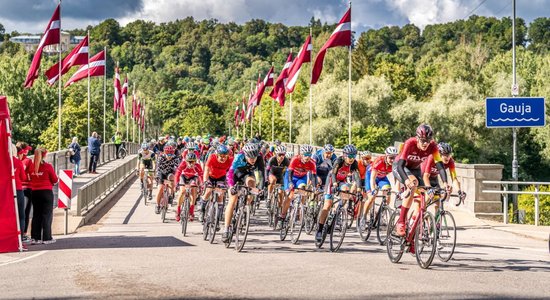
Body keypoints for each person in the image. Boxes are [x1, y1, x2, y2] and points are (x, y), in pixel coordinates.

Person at [392, 124, 450, 237]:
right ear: (417, 138)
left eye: (428, 140)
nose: (425, 144)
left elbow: (440, 166)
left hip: (415, 169)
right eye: (423, 140)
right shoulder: (410, 143)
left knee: (424, 194)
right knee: (413, 184)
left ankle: (414, 231)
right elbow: (400, 166)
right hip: (400, 167)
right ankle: (401, 222)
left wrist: (445, 183)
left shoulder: (433, 146)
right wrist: (406, 181)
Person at [316, 144, 361, 242]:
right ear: (344, 155)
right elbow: (333, 173)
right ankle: (319, 230)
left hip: (341, 181)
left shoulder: (354, 164)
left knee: (345, 191)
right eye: (349, 156)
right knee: (327, 205)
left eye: (353, 156)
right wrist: (335, 184)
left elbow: (357, 177)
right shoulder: (339, 161)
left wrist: (358, 191)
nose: (351, 159)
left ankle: (336, 212)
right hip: (332, 180)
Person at [222, 143, 264, 242]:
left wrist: (261, 189)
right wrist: (231, 186)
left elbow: (262, 174)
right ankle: (226, 229)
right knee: (232, 200)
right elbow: (230, 173)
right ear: (245, 154)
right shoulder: (239, 157)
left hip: (248, 174)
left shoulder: (259, 158)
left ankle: (244, 208)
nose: (253, 159)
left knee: (251, 184)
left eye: (254, 157)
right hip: (236, 174)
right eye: (250, 157)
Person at [28, 148, 59, 244]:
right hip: (46, 192)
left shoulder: (31, 167)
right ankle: (46, 238)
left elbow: (29, 178)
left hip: (34, 192)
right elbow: (54, 179)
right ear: (44, 155)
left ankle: (35, 237)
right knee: (47, 215)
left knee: (36, 215)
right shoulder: (48, 166)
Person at [421, 142, 465, 208]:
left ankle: (436, 218)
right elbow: (425, 176)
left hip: (433, 178)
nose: (448, 157)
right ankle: (420, 215)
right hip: (423, 177)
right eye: (445, 155)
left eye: (449, 155)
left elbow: (454, 178)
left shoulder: (451, 161)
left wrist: (459, 191)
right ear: (439, 155)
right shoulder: (432, 157)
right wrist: (429, 189)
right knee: (426, 199)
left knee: (438, 203)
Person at [281, 144, 317, 226]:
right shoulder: (295, 159)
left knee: (303, 190)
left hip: (301, 178)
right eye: (305, 155)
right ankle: (282, 217)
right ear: (301, 154)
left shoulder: (312, 163)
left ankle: (300, 210)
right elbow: (290, 172)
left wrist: (314, 187)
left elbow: (314, 176)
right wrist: (290, 182)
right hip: (291, 177)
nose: (307, 157)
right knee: (290, 196)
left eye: (309, 155)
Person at [361, 146, 398, 220]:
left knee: (387, 194)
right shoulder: (379, 161)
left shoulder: (395, 164)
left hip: (382, 178)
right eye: (391, 158)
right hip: (371, 176)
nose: (392, 160)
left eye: (394, 157)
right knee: (371, 197)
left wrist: (398, 190)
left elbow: (396, 178)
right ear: (386, 156)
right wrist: (373, 189)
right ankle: (363, 217)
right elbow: (372, 178)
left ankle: (380, 214)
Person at [202, 144, 234, 222]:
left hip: (221, 177)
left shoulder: (230, 160)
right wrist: (205, 181)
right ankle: (202, 211)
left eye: (225, 156)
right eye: (221, 156)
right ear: (217, 155)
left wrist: (231, 183)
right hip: (211, 176)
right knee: (208, 191)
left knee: (220, 195)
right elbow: (206, 169)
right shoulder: (212, 157)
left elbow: (232, 172)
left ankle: (218, 216)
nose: (223, 158)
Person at [174, 152, 203, 222]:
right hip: (183, 177)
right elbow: (177, 174)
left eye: (192, 162)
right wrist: (176, 184)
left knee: (193, 191)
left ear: (195, 161)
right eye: (189, 162)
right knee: (182, 191)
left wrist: (202, 186)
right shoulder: (183, 164)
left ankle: (191, 212)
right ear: (186, 161)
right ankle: (178, 211)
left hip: (193, 177)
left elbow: (201, 177)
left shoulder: (197, 166)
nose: (191, 163)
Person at [155, 141, 180, 214]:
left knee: (172, 178)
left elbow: (177, 170)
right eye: (168, 154)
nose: (169, 156)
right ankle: (157, 205)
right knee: (160, 189)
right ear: (165, 153)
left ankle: (171, 195)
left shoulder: (175, 158)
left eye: (171, 154)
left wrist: (176, 180)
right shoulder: (161, 157)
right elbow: (157, 168)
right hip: (161, 173)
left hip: (170, 172)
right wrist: (157, 176)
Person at [16, 142, 33, 242]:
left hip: (16, 189)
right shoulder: (28, 161)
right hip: (27, 187)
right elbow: (30, 175)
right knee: (25, 213)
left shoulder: (13, 160)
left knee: (17, 212)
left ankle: (17, 233)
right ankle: (24, 233)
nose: (28, 151)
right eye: (26, 149)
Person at [11, 143, 27, 248]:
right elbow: (23, 177)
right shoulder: (18, 162)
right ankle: (20, 238)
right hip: (18, 190)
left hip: (7, 191)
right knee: (21, 215)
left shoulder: (3, 162)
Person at [266, 145, 290, 212]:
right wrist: (266, 179)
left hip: (280, 177)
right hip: (272, 174)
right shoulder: (272, 159)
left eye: (283, 154)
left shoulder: (286, 161)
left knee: (281, 193)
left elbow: (289, 173)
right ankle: (269, 197)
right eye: (280, 155)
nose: (282, 156)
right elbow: (267, 170)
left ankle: (279, 209)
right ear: (276, 154)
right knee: (273, 180)